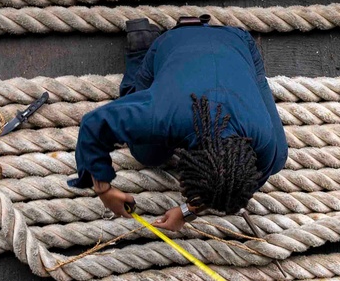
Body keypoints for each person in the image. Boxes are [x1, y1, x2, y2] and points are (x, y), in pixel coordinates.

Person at [69, 16, 288, 232]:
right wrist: (104, 190)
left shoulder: (262, 142)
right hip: (174, 41)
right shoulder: (163, 115)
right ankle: (140, 49)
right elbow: (93, 125)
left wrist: (187, 211)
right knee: (148, 154)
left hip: (238, 42)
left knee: (277, 158)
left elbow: (234, 182)